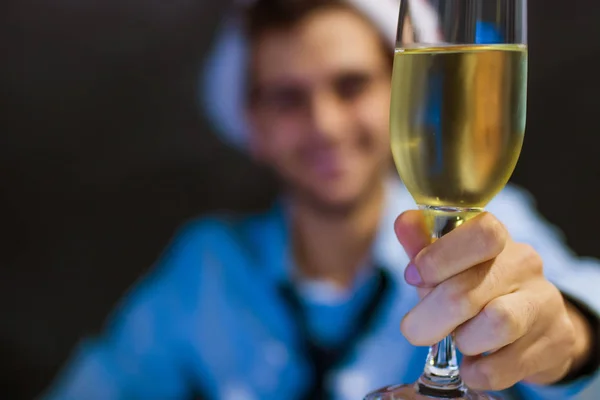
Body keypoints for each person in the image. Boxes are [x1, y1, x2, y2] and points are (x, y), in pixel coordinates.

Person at [42, 0, 600, 399]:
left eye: (351, 85)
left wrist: (572, 340)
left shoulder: (485, 229)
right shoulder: (208, 270)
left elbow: (574, 308)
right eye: (288, 99)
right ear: (252, 125)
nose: (325, 125)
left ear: (401, 91)